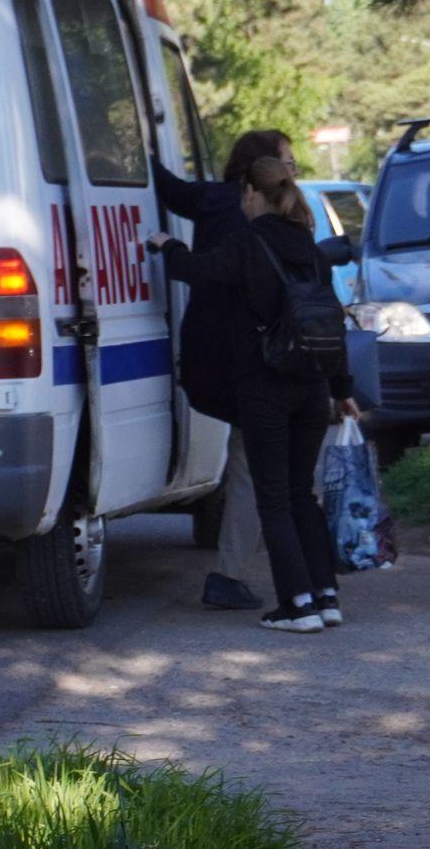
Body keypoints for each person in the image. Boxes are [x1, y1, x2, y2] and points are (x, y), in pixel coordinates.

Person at [150, 157, 357, 634]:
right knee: (301, 495)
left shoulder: (248, 242)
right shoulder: (307, 246)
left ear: (250, 194)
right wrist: (343, 390)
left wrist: (168, 245)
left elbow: (198, 271)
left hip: (265, 387)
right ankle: (325, 597)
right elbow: (329, 320)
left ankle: (296, 605)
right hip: (313, 388)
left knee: (273, 499)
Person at [154, 130, 295, 610]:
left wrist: (135, 149)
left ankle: (237, 573)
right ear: (263, 175)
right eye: (286, 165)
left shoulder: (213, 200)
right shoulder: (274, 225)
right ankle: (250, 576)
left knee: (251, 461)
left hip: (206, 358)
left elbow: (168, 187)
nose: (291, 174)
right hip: (253, 363)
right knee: (259, 470)